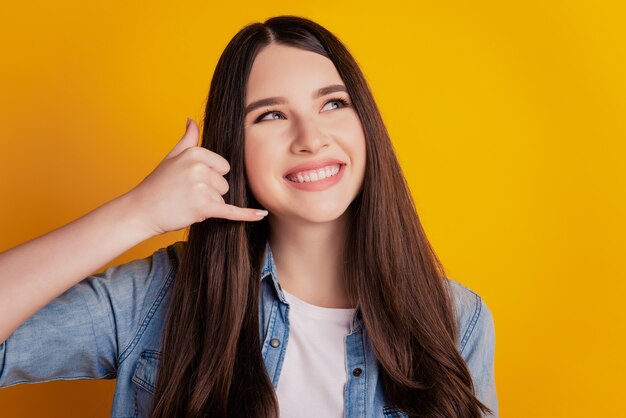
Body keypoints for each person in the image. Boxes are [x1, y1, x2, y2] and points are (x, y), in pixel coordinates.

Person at [0, 15, 497, 418]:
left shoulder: (457, 321)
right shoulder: (158, 297)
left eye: (332, 103)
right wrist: (137, 214)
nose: (311, 137)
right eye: (271, 115)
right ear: (233, 147)